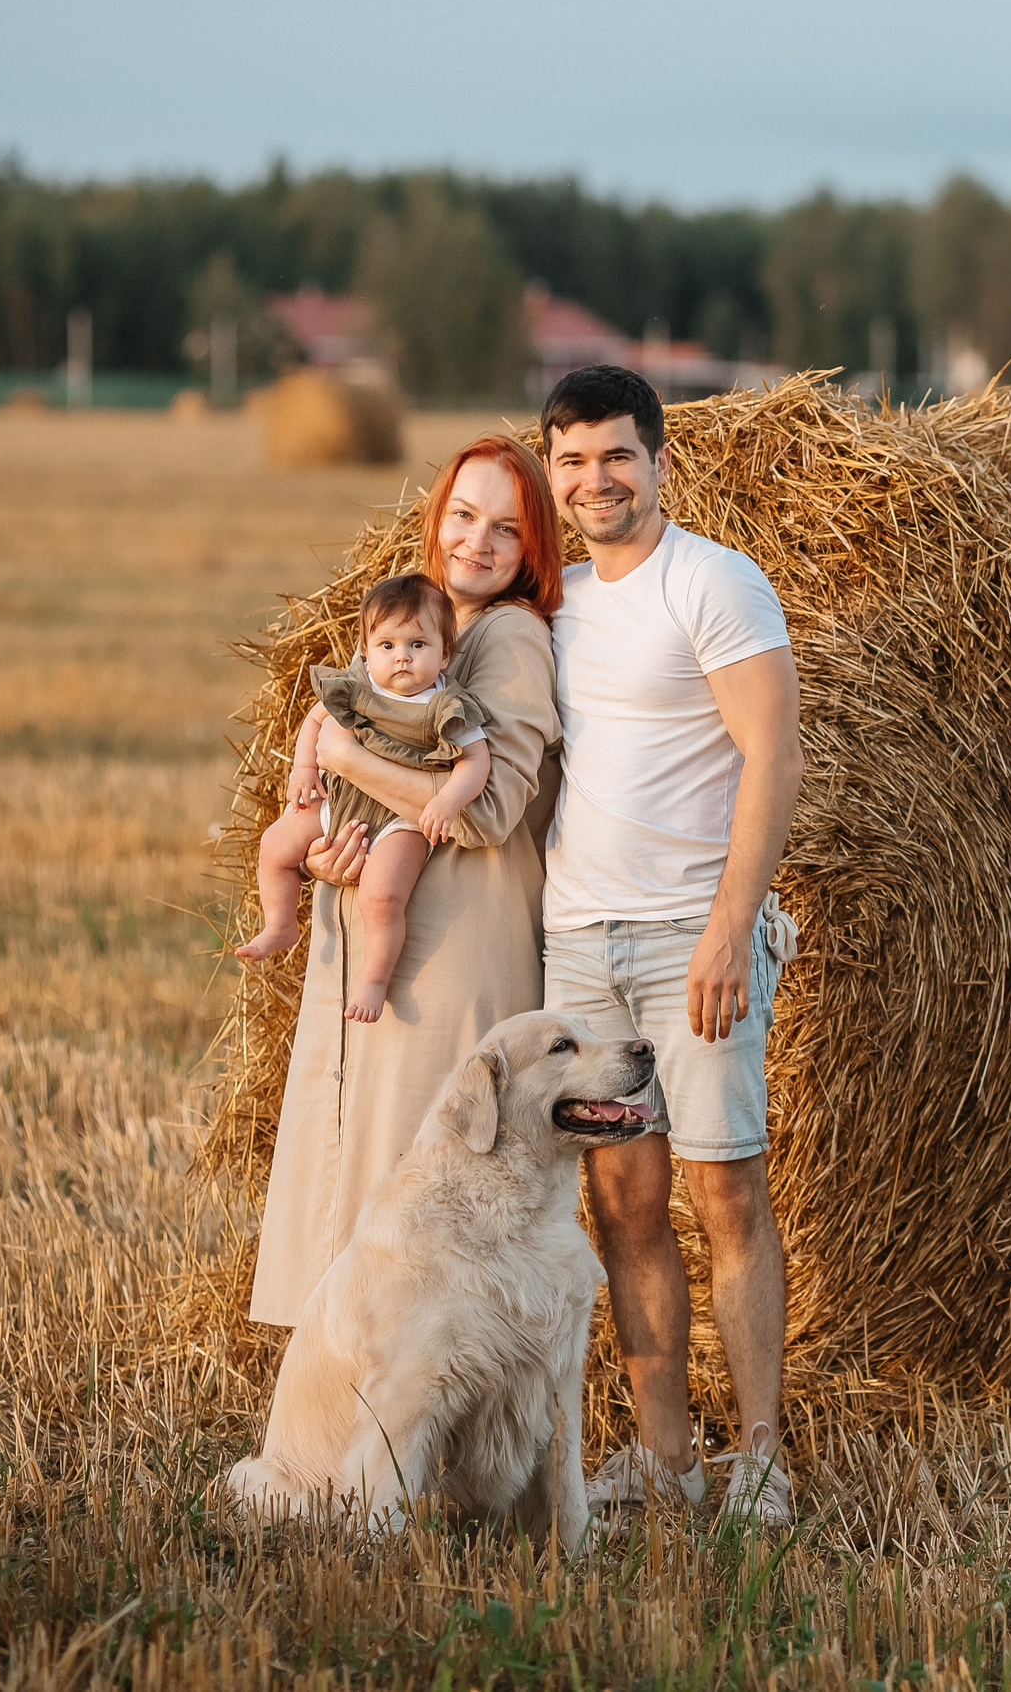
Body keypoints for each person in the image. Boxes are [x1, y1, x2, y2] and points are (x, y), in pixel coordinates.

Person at [539, 365, 805, 1527]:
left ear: (658, 462)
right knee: (625, 1205)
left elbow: (774, 754)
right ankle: (665, 1461)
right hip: (576, 943)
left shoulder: (713, 581)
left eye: (615, 456)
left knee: (726, 1190)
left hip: (686, 933)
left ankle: (760, 1459)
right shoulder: (555, 606)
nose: (594, 480)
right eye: (572, 460)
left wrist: (729, 929)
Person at [246, 435, 566, 1329]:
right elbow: (338, 777)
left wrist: (345, 752)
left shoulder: (511, 637)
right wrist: (317, 850)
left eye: (506, 526)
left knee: (416, 1218)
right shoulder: (416, 622)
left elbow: (490, 806)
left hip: (450, 960)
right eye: (463, 514)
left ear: (534, 546)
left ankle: (387, 1445)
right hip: (383, 933)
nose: (475, 540)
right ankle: (342, 1443)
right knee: (364, 1190)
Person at [237, 573, 493, 1023]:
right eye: (387, 646)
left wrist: (448, 800)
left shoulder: (446, 706)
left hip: (402, 820)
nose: (402, 658)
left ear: (445, 653)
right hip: (341, 801)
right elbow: (315, 722)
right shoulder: (358, 687)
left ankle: (375, 980)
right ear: (365, 650)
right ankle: (279, 923)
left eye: (418, 645)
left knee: (382, 896)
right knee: (275, 845)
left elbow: (476, 761)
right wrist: (303, 769)